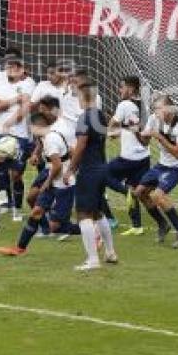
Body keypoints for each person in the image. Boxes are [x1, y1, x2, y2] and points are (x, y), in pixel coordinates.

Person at [0, 96, 78, 257]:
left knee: (59, 226)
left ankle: (94, 229)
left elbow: (58, 164)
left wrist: (48, 182)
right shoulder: (47, 134)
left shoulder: (55, 135)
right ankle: (20, 248)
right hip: (52, 174)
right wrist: (36, 154)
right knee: (36, 210)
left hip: (63, 181)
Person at [68, 82, 118, 271]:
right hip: (101, 167)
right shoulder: (101, 116)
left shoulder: (84, 117)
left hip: (88, 171)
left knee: (83, 215)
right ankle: (110, 252)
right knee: (98, 212)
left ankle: (92, 260)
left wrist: (71, 168)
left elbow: (81, 145)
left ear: (83, 97)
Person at [134, 95, 178, 248]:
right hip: (161, 165)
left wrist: (159, 137)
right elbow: (144, 142)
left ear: (169, 109)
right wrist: (136, 130)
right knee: (139, 192)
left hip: (177, 167)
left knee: (158, 195)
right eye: (155, 108)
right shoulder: (153, 119)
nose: (156, 111)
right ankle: (162, 224)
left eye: (159, 108)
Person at [0, 49, 36, 216]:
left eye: (14, 63)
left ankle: (16, 208)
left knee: (16, 174)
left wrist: (12, 119)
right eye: (8, 63)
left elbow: (26, 107)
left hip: (21, 133)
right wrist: (15, 99)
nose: (10, 66)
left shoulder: (29, 82)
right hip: (1, 131)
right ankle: (3, 198)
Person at [106, 76, 150, 236]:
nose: (119, 90)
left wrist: (112, 130)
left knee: (103, 174)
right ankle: (137, 226)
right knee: (136, 188)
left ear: (131, 89)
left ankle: (125, 191)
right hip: (144, 157)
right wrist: (121, 131)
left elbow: (112, 127)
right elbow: (135, 128)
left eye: (122, 87)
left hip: (129, 157)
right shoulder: (143, 105)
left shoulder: (124, 104)